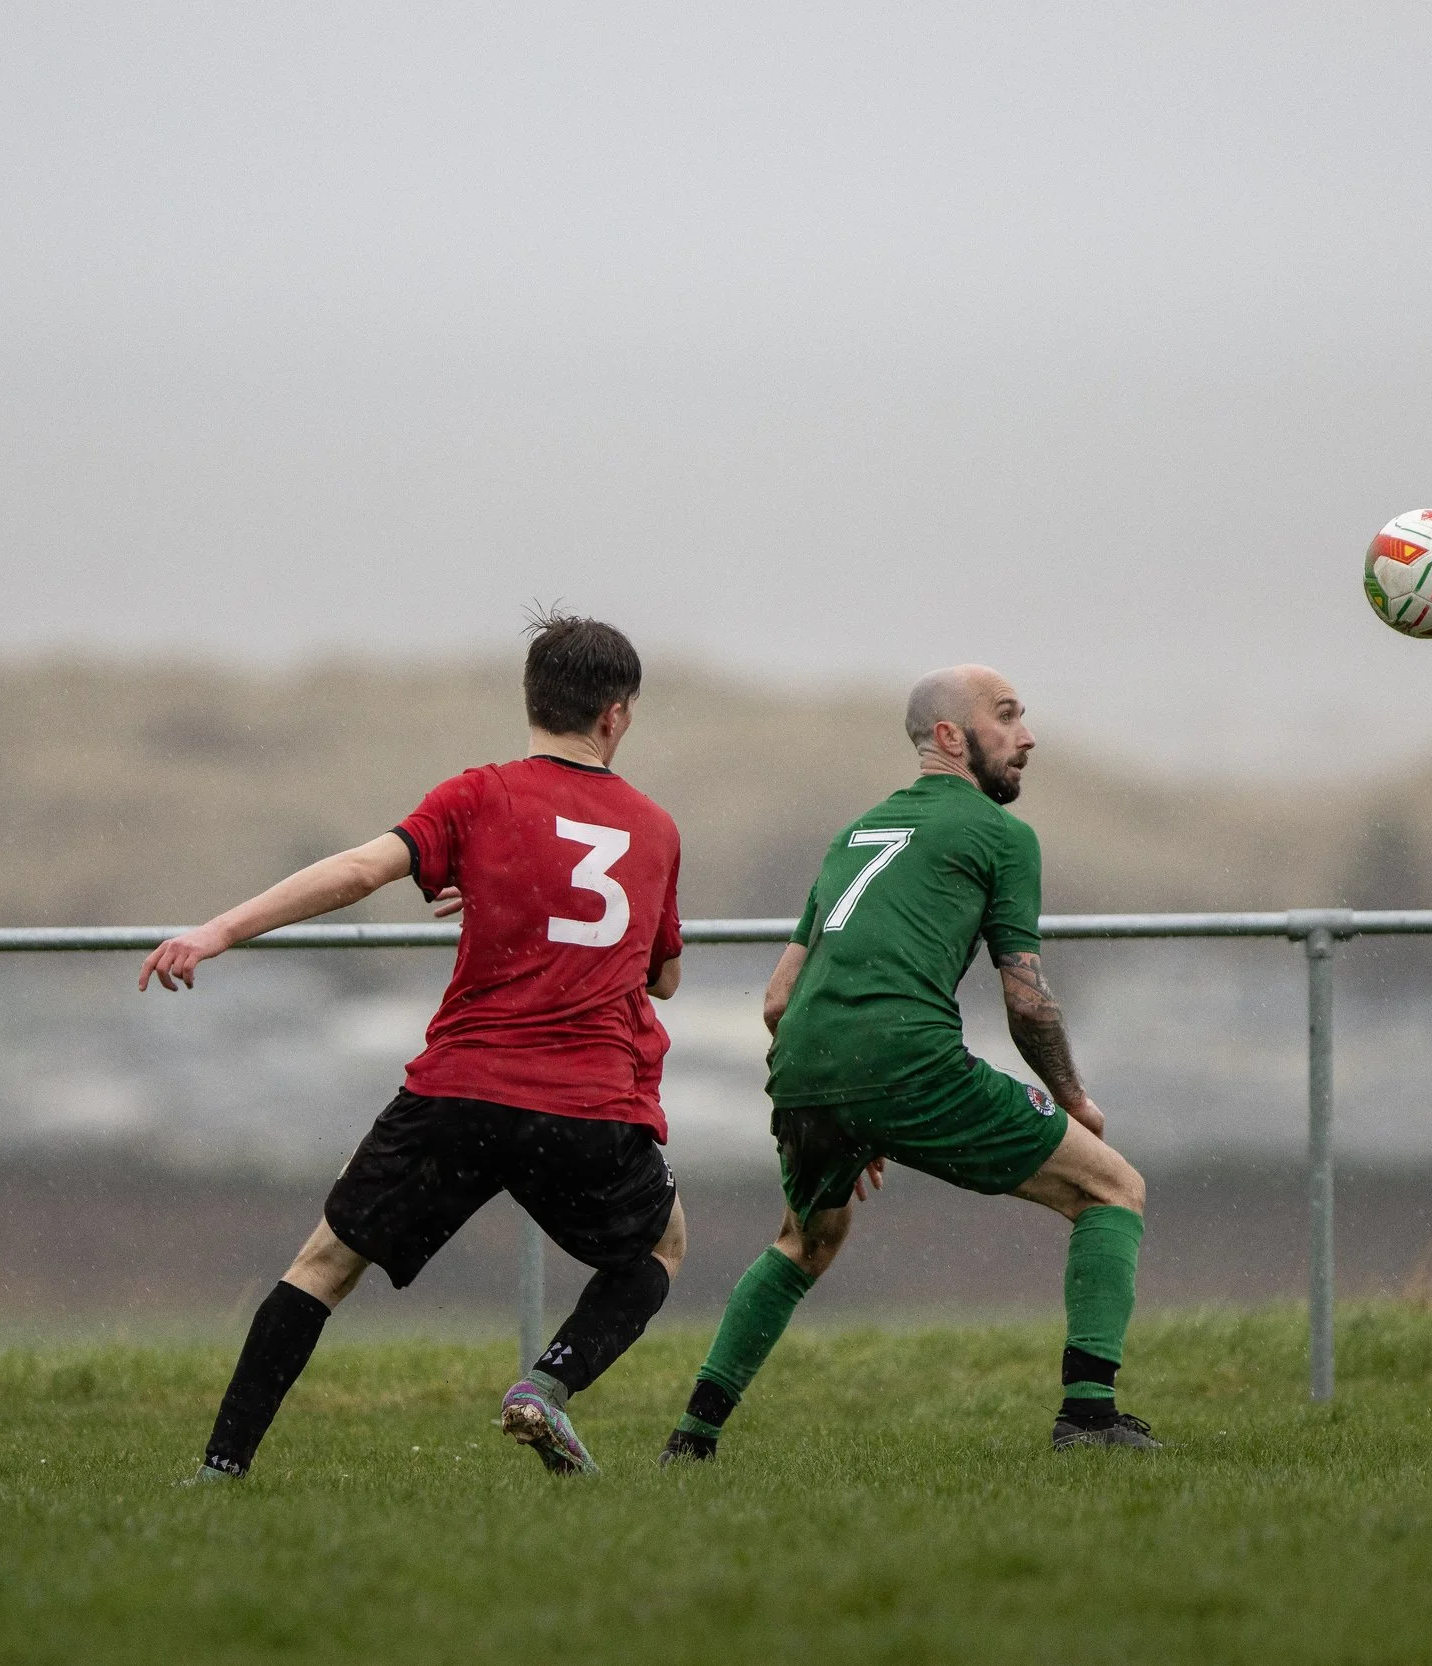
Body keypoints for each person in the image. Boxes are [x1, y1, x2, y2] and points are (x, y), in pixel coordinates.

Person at [142, 612, 687, 1481]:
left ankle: (219, 1469)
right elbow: (659, 981)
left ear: (532, 702)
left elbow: (360, 871)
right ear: (616, 715)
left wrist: (217, 931)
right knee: (661, 1248)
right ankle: (547, 1385)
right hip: (586, 1108)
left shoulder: (481, 795)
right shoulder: (655, 829)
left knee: (323, 1265)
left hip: (461, 1095)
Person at [660, 664, 1158, 1462]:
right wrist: (1074, 1099)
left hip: (804, 1066)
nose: (1027, 736)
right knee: (1113, 1189)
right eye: (1007, 717)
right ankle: (1090, 1419)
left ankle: (692, 1440)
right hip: (902, 1058)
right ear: (950, 738)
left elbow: (777, 999)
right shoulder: (1003, 836)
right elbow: (1027, 1000)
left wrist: (853, 1104)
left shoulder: (857, 834)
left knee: (803, 1243)